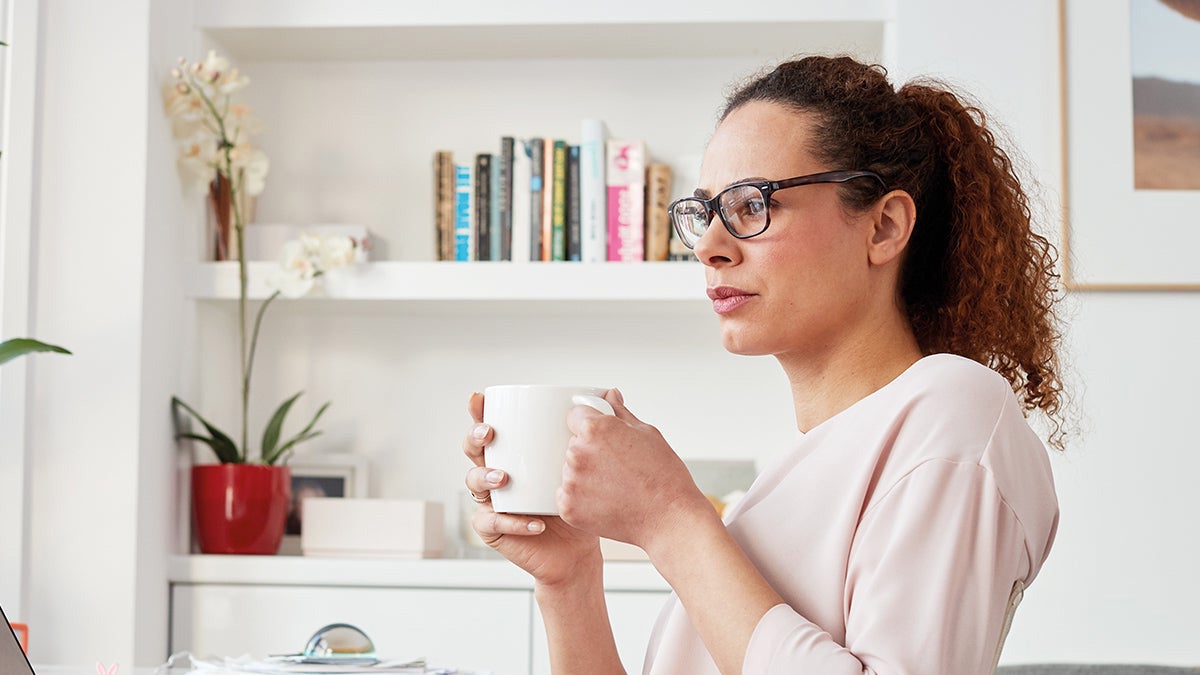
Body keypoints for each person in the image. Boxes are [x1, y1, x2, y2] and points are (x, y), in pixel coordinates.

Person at [463, 55, 1064, 674]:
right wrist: (569, 579)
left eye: (752, 205)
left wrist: (669, 517)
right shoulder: (792, 480)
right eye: (703, 214)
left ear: (884, 227)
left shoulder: (953, 412)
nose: (709, 247)